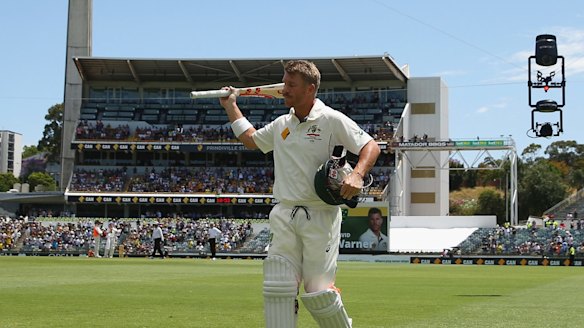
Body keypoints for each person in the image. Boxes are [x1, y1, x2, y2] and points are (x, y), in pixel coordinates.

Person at [220, 60, 380, 328]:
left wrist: (357, 174)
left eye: (291, 85)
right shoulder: (283, 123)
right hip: (284, 212)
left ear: (311, 89)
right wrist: (231, 106)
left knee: (320, 293)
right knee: (278, 287)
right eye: (284, 84)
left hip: (320, 214)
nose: (284, 90)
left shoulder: (331, 119)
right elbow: (251, 140)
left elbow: (370, 146)